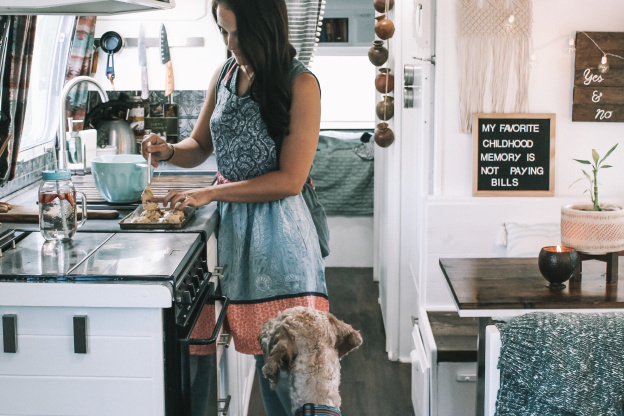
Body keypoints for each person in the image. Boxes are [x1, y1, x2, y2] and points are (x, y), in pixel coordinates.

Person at [142, 0, 328, 414]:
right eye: (223, 31)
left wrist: (212, 193)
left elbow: (289, 180)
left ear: (265, 28)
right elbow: (200, 146)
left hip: (281, 240)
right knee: (269, 373)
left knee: (292, 379)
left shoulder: (301, 84)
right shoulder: (226, 74)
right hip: (233, 235)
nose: (230, 42)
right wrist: (168, 150)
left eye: (237, 32)